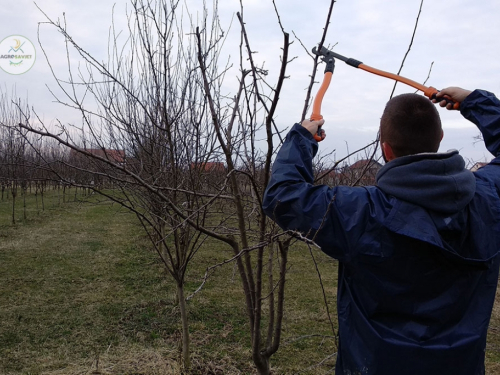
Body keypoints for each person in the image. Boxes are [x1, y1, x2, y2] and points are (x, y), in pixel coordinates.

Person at [263, 87, 500, 375]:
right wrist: (477, 102)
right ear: (439, 139)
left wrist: (301, 138)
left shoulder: (359, 211)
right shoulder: (489, 200)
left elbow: (284, 197)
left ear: (385, 149)